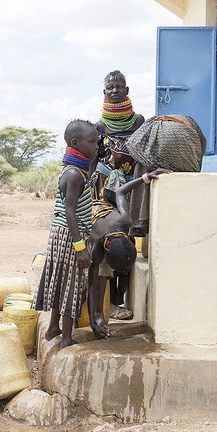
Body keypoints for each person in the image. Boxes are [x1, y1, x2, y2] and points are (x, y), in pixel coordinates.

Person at [32, 119, 99, 349]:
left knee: (61, 280)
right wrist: (80, 248)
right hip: (71, 235)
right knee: (72, 283)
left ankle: (53, 327)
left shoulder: (74, 169)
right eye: (92, 142)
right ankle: (67, 338)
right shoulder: (74, 174)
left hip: (63, 233)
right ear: (75, 143)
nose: (96, 146)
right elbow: (70, 211)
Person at [87, 168, 171, 339]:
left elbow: (121, 191)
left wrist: (146, 177)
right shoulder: (97, 244)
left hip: (109, 225)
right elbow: (91, 281)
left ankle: (101, 314)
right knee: (94, 275)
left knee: (104, 273)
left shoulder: (125, 220)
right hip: (89, 219)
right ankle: (93, 316)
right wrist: (93, 320)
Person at [93, 70, 145, 321]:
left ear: (127, 91)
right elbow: (93, 159)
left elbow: (144, 154)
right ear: (104, 92)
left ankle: (118, 300)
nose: (114, 90)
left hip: (132, 188)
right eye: (110, 87)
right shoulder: (99, 126)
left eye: (119, 86)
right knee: (108, 241)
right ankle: (107, 304)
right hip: (103, 190)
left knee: (128, 242)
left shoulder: (139, 123)